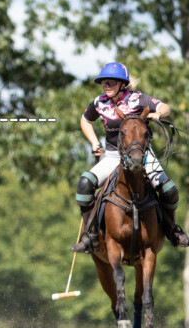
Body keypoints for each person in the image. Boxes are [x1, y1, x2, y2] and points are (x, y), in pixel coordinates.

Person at [70, 62, 189, 253]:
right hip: (112, 156)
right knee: (84, 184)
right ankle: (90, 237)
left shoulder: (138, 98)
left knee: (169, 190)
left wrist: (157, 113)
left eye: (111, 82)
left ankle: (172, 230)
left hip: (142, 156)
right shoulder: (99, 102)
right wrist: (93, 141)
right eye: (104, 82)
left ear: (122, 84)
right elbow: (85, 120)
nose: (106, 86)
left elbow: (165, 107)